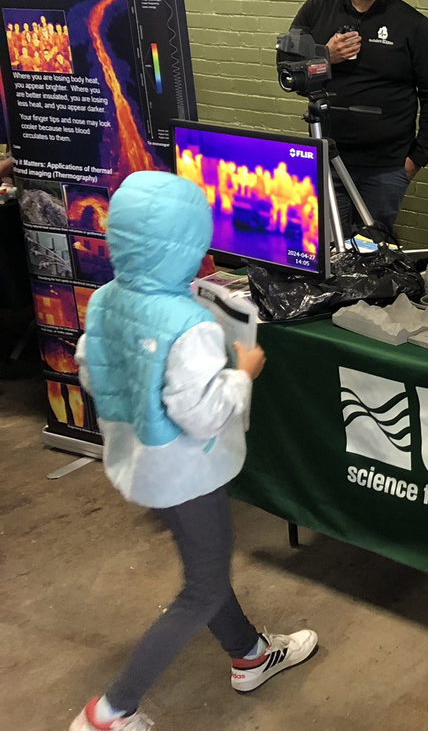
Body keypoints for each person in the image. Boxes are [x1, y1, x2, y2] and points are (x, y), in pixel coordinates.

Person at [69, 171, 318, 731]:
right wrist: (243, 373)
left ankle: (249, 653)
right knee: (201, 587)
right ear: (190, 244)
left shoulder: (106, 298)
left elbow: (90, 371)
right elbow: (203, 413)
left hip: (138, 461)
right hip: (187, 472)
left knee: (205, 564)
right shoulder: (190, 323)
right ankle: (111, 710)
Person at [285, 0, 428, 233]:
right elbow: (287, 72)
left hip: (386, 167)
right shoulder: (316, 10)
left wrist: (416, 159)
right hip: (328, 159)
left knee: (373, 251)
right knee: (330, 250)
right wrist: (324, 57)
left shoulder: (412, 24)